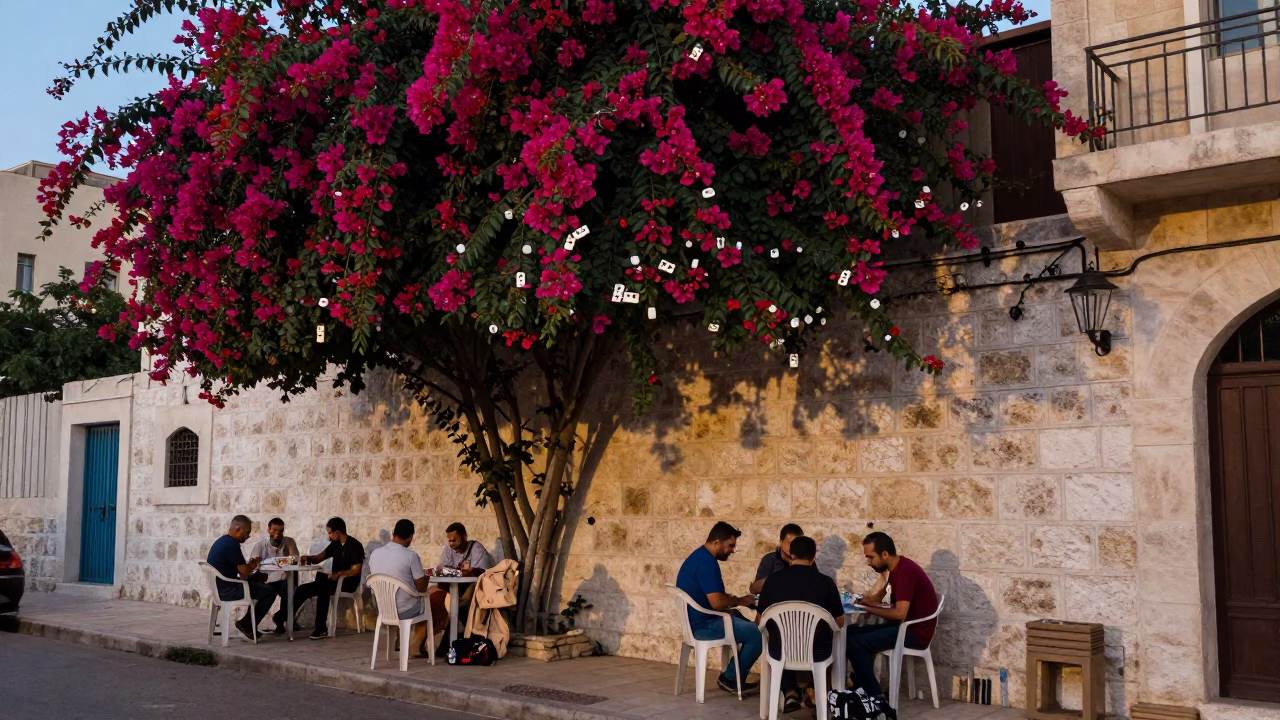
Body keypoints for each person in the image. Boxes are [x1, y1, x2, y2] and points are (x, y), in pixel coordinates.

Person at [845, 531, 939, 702]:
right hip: (903, 626)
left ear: (885, 554)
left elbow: (899, 613)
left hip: (914, 632)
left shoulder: (905, 572)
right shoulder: (896, 568)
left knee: (855, 642)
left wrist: (870, 608)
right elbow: (881, 597)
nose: (869, 562)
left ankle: (874, 696)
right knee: (849, 633)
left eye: (871, 557)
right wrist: (869, 601)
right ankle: (862, 687)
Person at [756, 535, 845, 713]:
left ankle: (789, 695)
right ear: (813, 558)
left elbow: (759, 620)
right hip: (816, 652)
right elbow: (840, 622)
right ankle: (821, 694)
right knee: (833, 639)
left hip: (779, 651)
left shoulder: (772, 581)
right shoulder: (825, 583)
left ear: (791, 555)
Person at [675, 521, 762, 695]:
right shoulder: (707, 563)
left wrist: (735, 603)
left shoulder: (699, 557)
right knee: (758, 635)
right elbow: (717, 603)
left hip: (697, 621)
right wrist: (742, 601)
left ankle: (737, 675)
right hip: (704, 626)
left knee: (739, 618)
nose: (732, 551)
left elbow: (715, 597)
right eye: (730, 546)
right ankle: (729, 678)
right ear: (717, 543)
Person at [367, 519, 449, 656]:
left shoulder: (375, 554)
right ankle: (416, 646)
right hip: (405, 610)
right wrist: (426, 575)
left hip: (382, 609)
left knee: (418, 600)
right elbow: (422, 588)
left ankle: (408, 642)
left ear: (394, 533)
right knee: (436, 601)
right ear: (411, 537)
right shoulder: (410, 556)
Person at [286, 517, 365, 640]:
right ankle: (284, 617)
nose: (329, 537)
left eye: (330, 533)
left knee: (323, 585)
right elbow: (319, 558)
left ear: (337, 532)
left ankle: (321, 628)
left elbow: (356, 570)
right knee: (303, 589)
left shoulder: (354, 546)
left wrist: (338, 574)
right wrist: (308, 558)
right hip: (332, 581)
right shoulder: (335, 544)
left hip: (348, 581)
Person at [206, 515, 277, 642]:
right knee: (269, 592)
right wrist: (254, 563)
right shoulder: (232, 545)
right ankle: (246, 624)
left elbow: (242, 573)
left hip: (221, 587)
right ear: (238, 529)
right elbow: (244, 570)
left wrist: (253, 576)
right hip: (228, 590)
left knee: (257, 586)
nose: (247, 537)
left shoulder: (222, 541)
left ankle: (248, 624)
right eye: (247, 533)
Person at [247, 517, 299, 634]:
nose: (277, 534)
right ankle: (251, 624)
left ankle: (280, 619)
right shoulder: (261, 545)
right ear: (268, 530)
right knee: (268, 591)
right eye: (274, 530)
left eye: (280, 531)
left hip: (282, 579)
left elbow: (295, 558)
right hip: (266, 579)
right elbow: (253, 563)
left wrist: (280, 560)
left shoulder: (288, 542)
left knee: (290, 591)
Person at [749, 523, 804, 595]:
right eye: (790, 543)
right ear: (781, 542)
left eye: (796, 544)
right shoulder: (770, 559)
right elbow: (754, 589)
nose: (793, 547)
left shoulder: (805, 560)